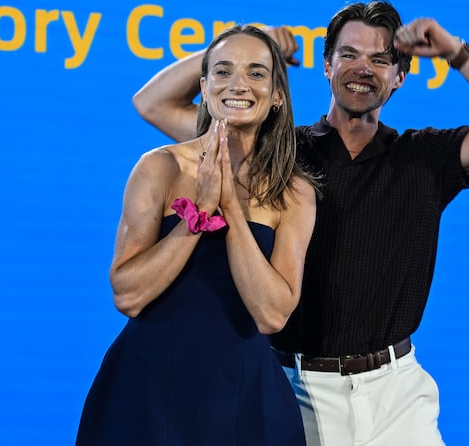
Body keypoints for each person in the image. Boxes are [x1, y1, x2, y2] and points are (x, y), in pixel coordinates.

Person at [132, 0, 469, 445]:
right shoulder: (275, 153)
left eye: (380, 59)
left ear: (400, 77)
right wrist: (251, 45)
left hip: (398, 396)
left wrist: (455, 53)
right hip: (294, 387)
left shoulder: (425, 157)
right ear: (326, 68)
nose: (362, 68)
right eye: (348, 55)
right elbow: (153, 103)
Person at [75, 25, 317, 445]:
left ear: (278, 95)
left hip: (243, 398)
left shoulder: (294, 192)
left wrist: (230, 210)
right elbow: (128, 295)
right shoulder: (159, 167)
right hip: (145, 391)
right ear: (203, 88)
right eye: (222, 72)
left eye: (256, 73)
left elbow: (271, 314)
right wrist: (196, 217)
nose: (238, 84)